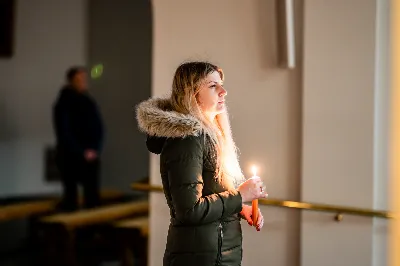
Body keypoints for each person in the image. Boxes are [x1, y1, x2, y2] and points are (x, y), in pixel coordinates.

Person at [136, 61, 268, 266]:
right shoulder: (187, 139)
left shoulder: (209, 136)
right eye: (213, 86)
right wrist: (240, 195)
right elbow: (189, 210)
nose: (223, 91)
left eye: (221, 84)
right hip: (199, 258)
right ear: (192, 93)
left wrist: (239, 208)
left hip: (217, 255)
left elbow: (210, 193)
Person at [52, 66, 104, 211]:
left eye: (84, 79)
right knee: (71, 199)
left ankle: (91, 230)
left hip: (91, 154)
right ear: (71, 81)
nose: (83, 82)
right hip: (70, 156)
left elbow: (99, 127)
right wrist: (82, 151)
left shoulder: (88, 101)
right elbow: (64, 132)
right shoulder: (64, 102)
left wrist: (95, 149)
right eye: (79, 79)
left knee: (92, 198)